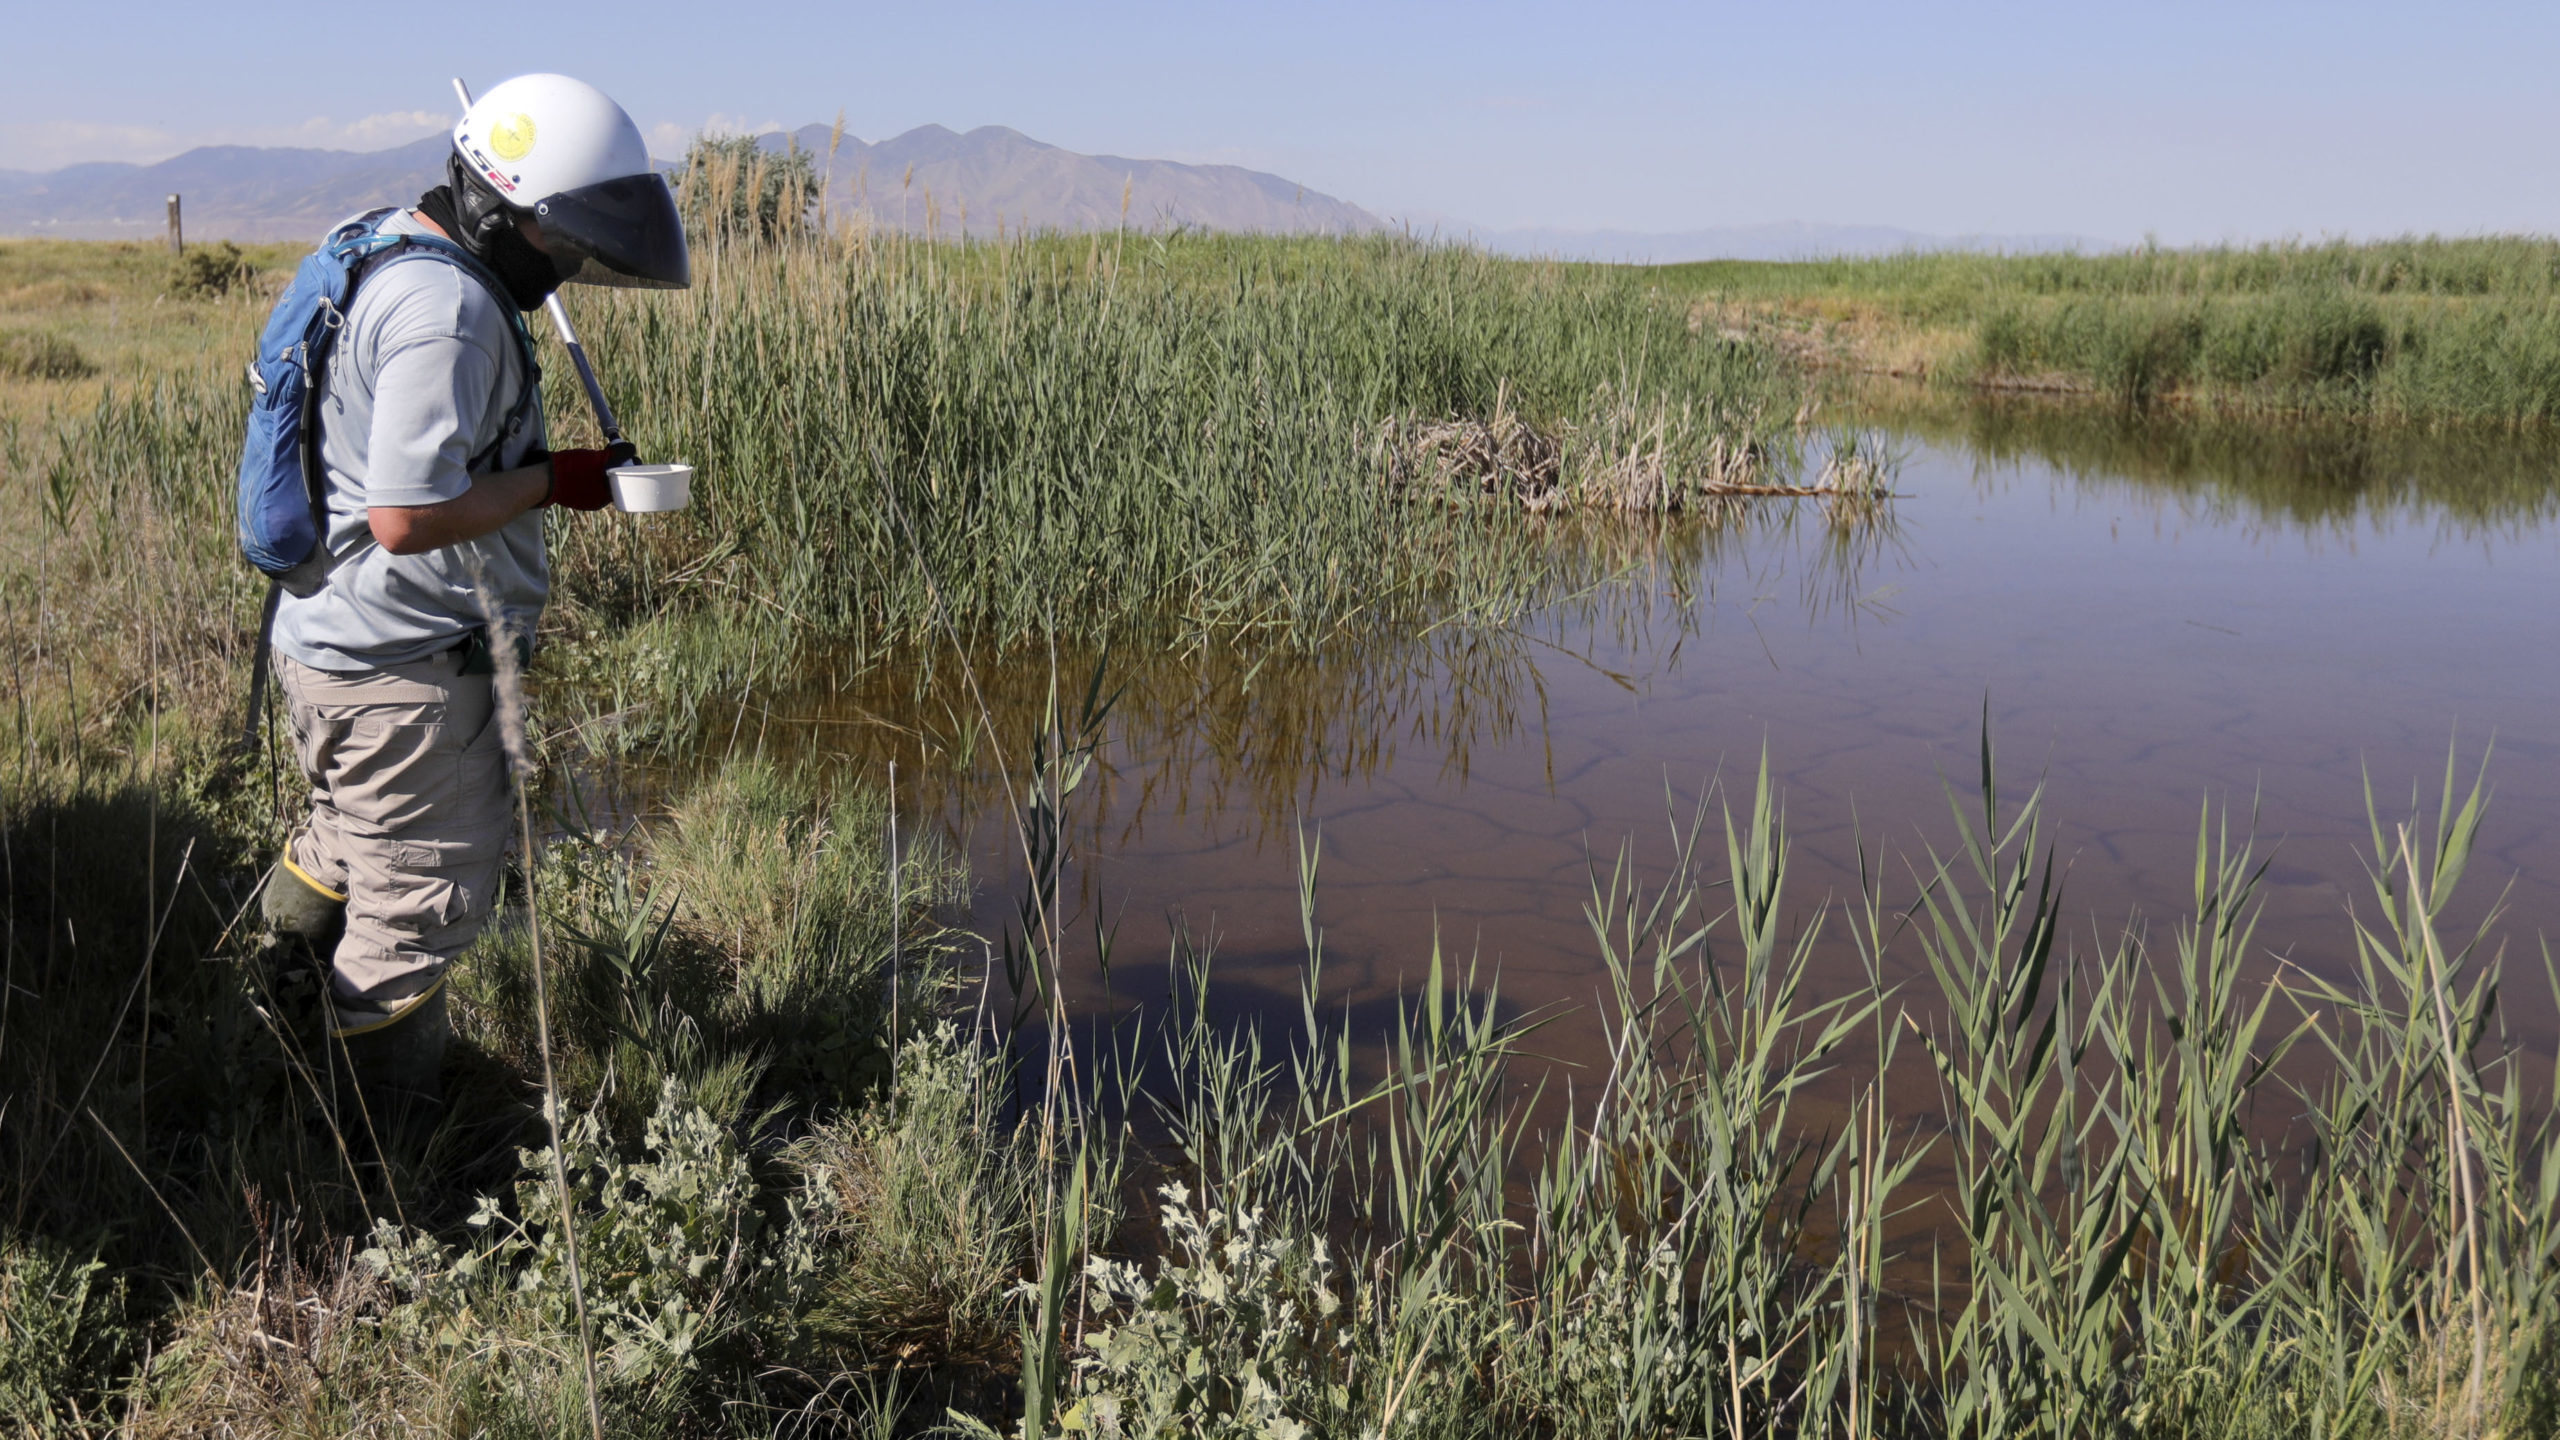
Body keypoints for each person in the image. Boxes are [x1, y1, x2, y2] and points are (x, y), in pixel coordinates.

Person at [255, 73, 690, 1122]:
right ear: (503, 209)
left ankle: (267, 1022)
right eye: (562, 240)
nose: (572, 263)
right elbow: (407, 512)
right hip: (403, 678)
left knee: (342, 837)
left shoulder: (383, 243)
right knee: (416, 913)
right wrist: (562, 479)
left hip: (332, 642)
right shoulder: (446, 308)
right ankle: (377, 1172)